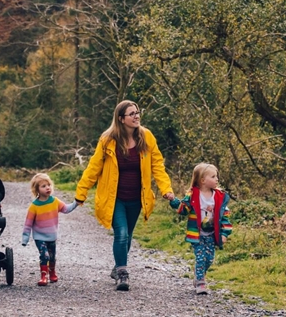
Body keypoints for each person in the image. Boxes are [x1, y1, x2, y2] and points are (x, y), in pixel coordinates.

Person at [74, 100, 175, 291]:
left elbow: (157, 166)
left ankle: (117, 266)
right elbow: (93, 168)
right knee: (121, 234)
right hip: (114, 198)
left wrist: (166, 189)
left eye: (137, 112)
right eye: (132, 114)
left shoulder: (147, 137)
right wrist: (82, 192)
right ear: (121, 119)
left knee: (127, 237)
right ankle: (123, 274)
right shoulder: (108, 140)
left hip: (137, 198)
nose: (137, 116)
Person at [170, 162, 232, 294]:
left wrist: (225, 233)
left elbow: (225, 216)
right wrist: (174, 201)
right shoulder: (193, 195)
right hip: (197, 234)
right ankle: (201, 283)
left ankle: (199, 274)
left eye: (217, 176)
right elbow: (184, 210)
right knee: (200, 257)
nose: (217, 179)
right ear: (203, 180)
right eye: (213, 176)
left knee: (209, 258)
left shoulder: (219, 197)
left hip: (212, 234)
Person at [21, 172, 77, 286]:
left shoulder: (55, 201)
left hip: (52, 236)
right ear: (37, 190)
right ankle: (43, 276)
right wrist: (25, 238)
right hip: (39, 237)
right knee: (44, 255)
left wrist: (77, 202)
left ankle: (52, 273)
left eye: (48, 185)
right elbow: (28, 223)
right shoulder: (34, 206)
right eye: (43, 186)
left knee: (51, 257)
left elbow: (66, 209)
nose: (47, 188)